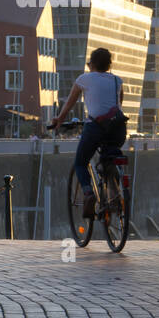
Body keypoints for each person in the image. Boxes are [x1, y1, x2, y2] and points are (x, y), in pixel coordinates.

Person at [48, 47, 127, 220]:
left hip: (96, 128)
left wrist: (59, 120)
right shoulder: (117, 80)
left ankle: (88, 193)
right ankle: (115, 195)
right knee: (109, 157)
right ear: (109, 65)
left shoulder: (84, 79)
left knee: (80, 163)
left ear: (92, 64)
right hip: (118, 129)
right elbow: (118, 104)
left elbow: (70, 103)